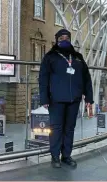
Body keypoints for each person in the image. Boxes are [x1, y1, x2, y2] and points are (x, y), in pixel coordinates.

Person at [39, 29, 93, 168]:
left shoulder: (78, 57)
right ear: (56, 40)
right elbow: (43, 79)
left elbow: (87, 78)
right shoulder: (50, 57)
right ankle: (55, 156)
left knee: (69, 128)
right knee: (56, 129)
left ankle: (67, 155)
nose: (64, 40)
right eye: (61, 38)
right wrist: (44, 99)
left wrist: (89, 97)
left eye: (67, 38)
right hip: (56, 99)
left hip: (74, 99)